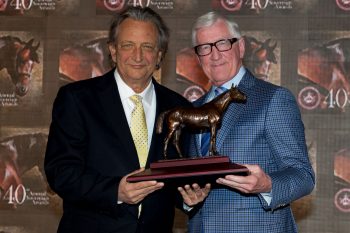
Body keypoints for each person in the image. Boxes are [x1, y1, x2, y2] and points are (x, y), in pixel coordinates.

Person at [44, 6, 210, 233]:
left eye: (147, 47)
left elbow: (176, 178)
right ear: (112, 50)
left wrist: (187, 198)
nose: (138, 56)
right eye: (128, 45)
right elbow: (61, 172)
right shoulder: (77, 99)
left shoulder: (179, 108)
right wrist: (115, 191)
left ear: (160, 54)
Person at [187, 11, 315, 233]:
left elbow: (303, 176)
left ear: (241, 47)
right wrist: (187, 199)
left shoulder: (273, 99)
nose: (214, 55)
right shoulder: (193, 109)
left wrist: (267, 184)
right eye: (205, 48)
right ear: (198, 58)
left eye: (222, 43)